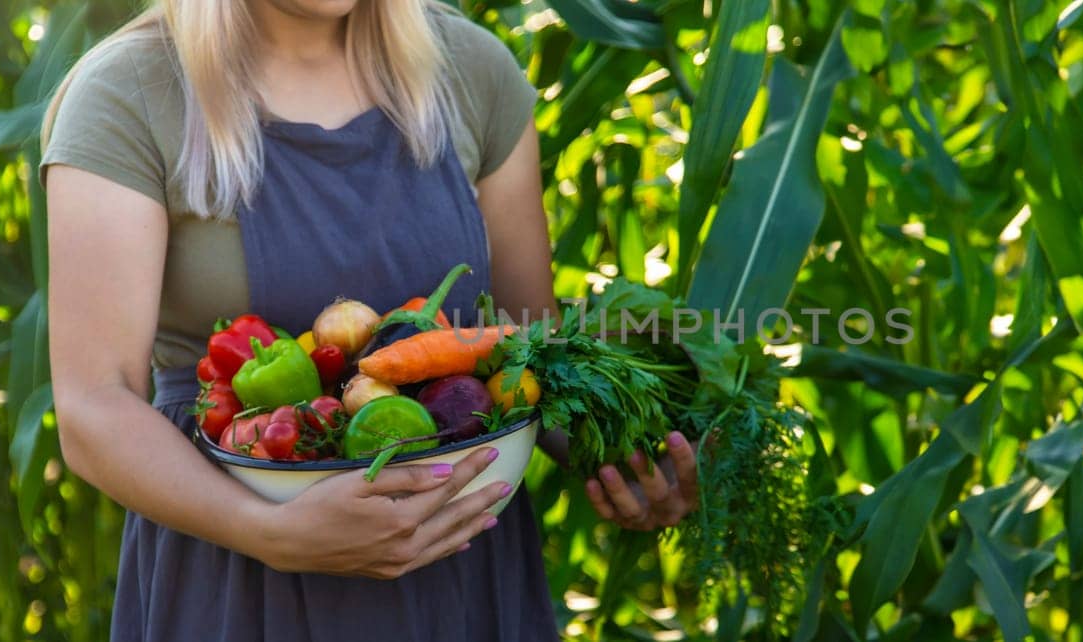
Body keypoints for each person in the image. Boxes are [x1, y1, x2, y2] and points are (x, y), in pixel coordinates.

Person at [41, 1, 699, 639]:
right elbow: (96, 405)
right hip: (237, 577)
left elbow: (532, 351)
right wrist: (266, 532)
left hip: (458, 568)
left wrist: (623, 458)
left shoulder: (468, 69)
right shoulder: (128, 94)